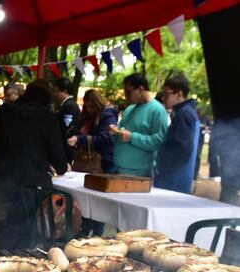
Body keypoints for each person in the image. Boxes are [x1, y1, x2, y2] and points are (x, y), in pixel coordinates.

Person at [0, 79, 67, 248]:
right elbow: (59, 162)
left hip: (1, 179)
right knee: (29, 229)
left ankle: (4, 254)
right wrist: (61, 166)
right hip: (31, 185)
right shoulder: (47, 118)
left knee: (6, 227)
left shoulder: (6, 111)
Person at [67, 89, 118, 236]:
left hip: (101, 163)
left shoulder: (107, 116)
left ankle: (97, 233)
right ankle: (88, 230)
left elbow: (104, 139)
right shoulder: (90, 117)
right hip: (89, 165)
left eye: (90, 106)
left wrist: (80, 139)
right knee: (87, 200)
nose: (88, 109)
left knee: (98, 203)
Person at [110, 73, 169, 177]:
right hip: (117, 169)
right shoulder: (129, 109)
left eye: (128, 92)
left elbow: (159, 141)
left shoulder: (157, 111)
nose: (125, 96)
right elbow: (121, 138)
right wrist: (114, 133)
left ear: (140, 89)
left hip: (139, 174)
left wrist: (132, 137)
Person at [154, 75, 200, 193]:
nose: (163, 98)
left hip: (173, 181)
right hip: (178, 178)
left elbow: (182, 149)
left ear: (179, 94)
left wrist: (162, 170)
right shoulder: (187, 112)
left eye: (166, 94)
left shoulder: (184, 114)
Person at [54, 78, 82, 163]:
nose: (55, 94)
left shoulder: (69, 106)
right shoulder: (66, 105)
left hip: (66, 147)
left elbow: (67, 129)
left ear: (64, 91)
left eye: (57, 91)